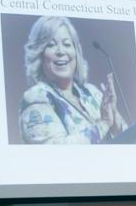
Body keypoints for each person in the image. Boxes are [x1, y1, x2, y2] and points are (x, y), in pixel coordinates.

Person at [19, 16, 127, 145]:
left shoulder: (92, 92)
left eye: (67, 44)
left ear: (76, 52)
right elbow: (56, 151)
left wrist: (113, 115)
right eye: (51, 45)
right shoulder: (35, 98)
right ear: (39, 54)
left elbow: (129, 140)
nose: (61, 51)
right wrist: (103, 124)